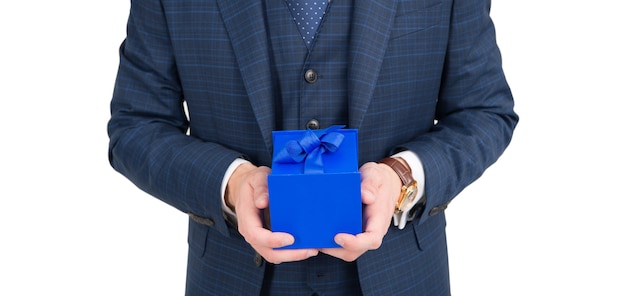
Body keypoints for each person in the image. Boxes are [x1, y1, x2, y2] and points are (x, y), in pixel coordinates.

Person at [108, 0, 518, 295]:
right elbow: (136, 126)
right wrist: (231, 183)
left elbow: (485, 111)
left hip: (402, 277)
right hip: (232, 278)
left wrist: (402, 177)